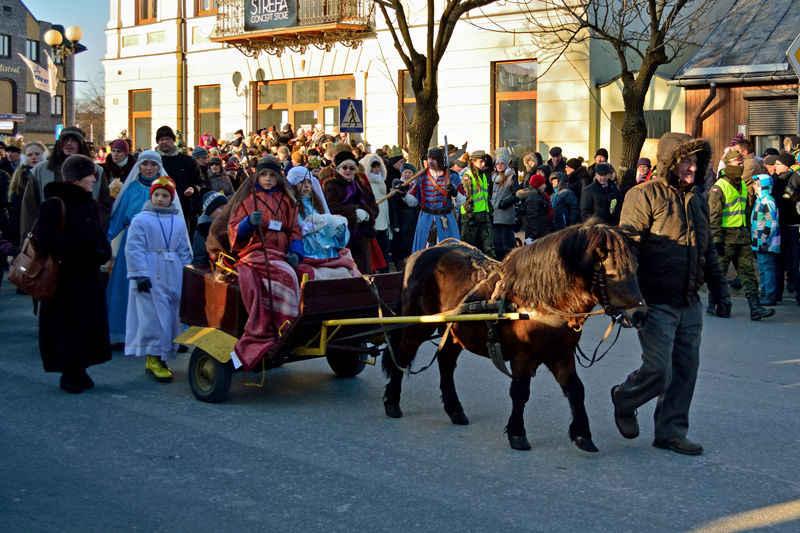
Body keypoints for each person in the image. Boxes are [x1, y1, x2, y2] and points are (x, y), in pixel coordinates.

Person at [611, 132, 731, 455]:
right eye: (686, 161)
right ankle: (624, 397)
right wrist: (626, 298)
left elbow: (708, 253)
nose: (692, 167)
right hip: (655, 301)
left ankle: (670, 430)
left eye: (695, 161)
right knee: (659, 368)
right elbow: (628, 249)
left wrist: (720, 292)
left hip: (690, 301)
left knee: (685, 370)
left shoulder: (700, 201)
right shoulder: (643, 196)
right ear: (670, 162)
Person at [35, 154, 112, 394]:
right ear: (77, 178)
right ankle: (69, 372)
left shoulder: (89, 202)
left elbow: (96, 232)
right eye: (90, 175)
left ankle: (81, 367)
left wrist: (102, 249)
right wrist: (82, 248)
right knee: (67, 326)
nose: (94, 179)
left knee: (89, 322)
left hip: (88, 274)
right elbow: (45, 240)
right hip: (64, 277)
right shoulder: (54, 204)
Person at [228, 159, 304, 372]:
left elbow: (295, 229)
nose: (268, 179)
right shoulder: (248, 200)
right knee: (286, 276)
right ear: (256, 177)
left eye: (272, 175)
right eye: (264, 175)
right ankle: (284, 327)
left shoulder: (287, 200)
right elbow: (234, 228)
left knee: (307, 275)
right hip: (256, 250)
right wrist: (248, 223)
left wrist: (297, 252)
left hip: (282, 252)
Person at [107, 151, 184, 343]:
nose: (149, 168)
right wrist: (102, 240)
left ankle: (167, 334)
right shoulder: (131, 189)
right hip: (134, 248)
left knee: (163, 292)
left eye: (153, 165)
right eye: (145, 164)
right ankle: (126, 333)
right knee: (130, 291)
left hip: (162, 248)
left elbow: (177, 220)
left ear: (159, 167)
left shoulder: (168, 188)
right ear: (139, 166)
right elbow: (118, 219)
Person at [124, 176, 193, 381]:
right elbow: (134, 249)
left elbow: (183, 249)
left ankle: (161, 355)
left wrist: (187, 272)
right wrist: (139, 275)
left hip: (173, 273)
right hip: (150, 272)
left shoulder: (177, 222)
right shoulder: (140, 220)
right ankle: (154, 357)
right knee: (154, 316)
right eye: (156, 195)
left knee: (171, 315)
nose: (160, 199)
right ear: (150, 196)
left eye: (165, 195)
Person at [708, 151, 774, 320]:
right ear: (728, 165)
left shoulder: (743, 185)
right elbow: (714, 217)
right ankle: (712, 304)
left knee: (748, 273)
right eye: (738, 165)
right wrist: (716, 241)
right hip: (725, 237)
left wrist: (750, 234)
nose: (741, 167)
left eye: (742, 164)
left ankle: (755, 308)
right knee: (719, 273)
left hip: (741, 236)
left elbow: (746, 212)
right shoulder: (719, 187)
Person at [20, 126, 112, 239]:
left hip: (85, 239)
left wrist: (95, 230)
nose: (68, 144)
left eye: (73, 140)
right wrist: (31, 237)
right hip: (49, 240)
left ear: (81, 144)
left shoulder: (97, 171)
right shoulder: (40, 171)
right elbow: (30, 208)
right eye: (65, 140)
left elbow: (104, 205)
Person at [322, 150, 380, 273]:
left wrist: (367, 214)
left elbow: (374, 207)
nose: (348, 171)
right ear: (338, 169)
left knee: (363, 270)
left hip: (361, 236)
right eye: (344, 167)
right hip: (340, 235)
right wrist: (353, 213)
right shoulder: (331, 186)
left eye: (352, 168)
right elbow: (331, 207)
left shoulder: (362, 187)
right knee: (344, 271)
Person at [402, 147, 461, 254]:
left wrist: (455, 192)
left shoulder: (452, 176)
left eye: (433, 158)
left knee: (449, 252)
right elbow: (414, 201)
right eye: (429, 158)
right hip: (426, 218)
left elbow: (462, 200)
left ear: (439, 159)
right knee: (423, 252)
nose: (430, 161)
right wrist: (404, 195)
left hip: (446, 218)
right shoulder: (421, 175)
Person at [155, 126, 205, 233]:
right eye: (161, 139)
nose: (164, 142)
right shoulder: (153, 161)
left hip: (184, 210)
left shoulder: (188, 161)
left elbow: (200, 182)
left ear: (173, 140)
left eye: (167, 139)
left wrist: (193, 188)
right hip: (157, 209)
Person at [7, 142, 48, 248]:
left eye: (37, 154)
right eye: (29, 155)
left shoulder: (50, 175)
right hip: (26, 228)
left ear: (43, 155)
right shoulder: (20, 178)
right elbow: (14, 212)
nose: (33, 157)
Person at [771, 154, 800, 302]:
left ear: (787, 166)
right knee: (778, 262)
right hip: (779, 227)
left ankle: (798, 294)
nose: (775, 166)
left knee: (795, 264)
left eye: (778, 163)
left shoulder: (796, 179)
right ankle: (777, 294)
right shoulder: (775, 181)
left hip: (794, 227)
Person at [751, 174, 780, 306]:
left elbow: (771, 223)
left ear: (762, 186)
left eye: (755, 184)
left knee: (767, 268)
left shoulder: (767, 201)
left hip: (765, 242)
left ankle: (770, 294)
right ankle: (765, 292)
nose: (753, 186)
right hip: (760, 242)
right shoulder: (760, 200)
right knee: (762, 267)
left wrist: (764, 241)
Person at [459, 150, 494, 257]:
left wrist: (490, 212)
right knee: (467, 249)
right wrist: (470, 217)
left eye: (484, 161)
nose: (483, 164)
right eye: (481, 161)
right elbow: (468, 198)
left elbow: (485, 197)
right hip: (471, 217)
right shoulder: (468, 176)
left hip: (484, 215)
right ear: (473, 162)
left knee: (489, 248)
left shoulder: (482, 175)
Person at [361, 153, 391, 272]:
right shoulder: (366, 185)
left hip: (383, 222)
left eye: (378, 167)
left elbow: (385, 205)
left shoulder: (382, 183)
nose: (377, 169)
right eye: (374, 167)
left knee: (384, 248)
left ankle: (385, 272)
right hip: (374, 222)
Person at [389, 163, 419, 270]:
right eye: (405, 172)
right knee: (401, 245)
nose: (407, 174)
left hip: (413, 219)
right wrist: (395, 224)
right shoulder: (397, 185)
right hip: (401, 219)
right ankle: (400, 268)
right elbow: (393, 206)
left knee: (411, 245)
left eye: (409, 172)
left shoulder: (414, 186)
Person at [490, 151, 519, 260]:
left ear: (506, 164)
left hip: (506, 214)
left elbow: (517, 195)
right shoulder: (494, 177)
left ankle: (508, 264)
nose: (500, 165)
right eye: (498, 164)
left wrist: (503, 204)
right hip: (495, 213)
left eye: (502, 163)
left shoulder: (511, 177)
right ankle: (499, 263)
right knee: (497, 242)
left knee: (505, 241)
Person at [192, 191, 228, 266]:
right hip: (210, 272)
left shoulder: (229, 226)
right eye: (221, 207)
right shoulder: (202, 229)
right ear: (210, 210)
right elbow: (199, 257)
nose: (225, 210)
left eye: (227, 207)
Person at [517, 172, 552, 243]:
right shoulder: (534, 197)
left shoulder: (539, 195)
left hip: (541, 229)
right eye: (543, 184)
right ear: (538, 185)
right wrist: (534, 234)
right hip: (538, 232)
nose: (545, 186)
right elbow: (532, 216)